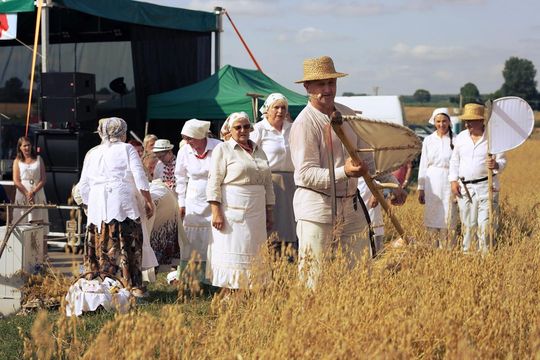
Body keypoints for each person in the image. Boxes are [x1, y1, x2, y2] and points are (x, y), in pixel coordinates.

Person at [289, 56, 406, 287]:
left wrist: (392, 183)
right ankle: (309, 320)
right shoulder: (305, 123)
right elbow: (305, 174)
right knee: (314, 277)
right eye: (320, 84)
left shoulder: (346, 115)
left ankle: (354, 318)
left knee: (361, 272)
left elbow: (366, 159)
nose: (327, 89)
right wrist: (345, 171)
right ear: (307, 87)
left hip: (351, 205)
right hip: (317, 208)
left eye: (331, 83)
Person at [78, 117, 154, 297]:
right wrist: (148, 200)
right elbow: (139, 175)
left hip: (98, 206)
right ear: (122, 132)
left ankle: (102, 284)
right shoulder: (127, 149)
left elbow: (83, 185)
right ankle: (131, 285)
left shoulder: (92, 153)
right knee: (127, 243)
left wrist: (91, 205)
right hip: (122, 203)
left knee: (100, 243)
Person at [206, 112, 275, 289]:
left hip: (257, 209)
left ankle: (252, 287)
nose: (243, 130)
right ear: (230, 130)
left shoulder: (259, 150)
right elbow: (214, 181)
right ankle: (230, 291)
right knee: (234, 248)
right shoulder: (223, 149)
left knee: (254, 248)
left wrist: (269, 210)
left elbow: (268, 183)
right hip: (233, 208)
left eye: (246, 126)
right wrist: (216, 212)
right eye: (238, 127)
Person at [449, 103, 506, 253]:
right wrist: (453, 181)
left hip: (486, 186)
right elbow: (454, 160)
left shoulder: (493, 138)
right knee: (468, 224)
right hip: (465, 187)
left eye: (471, 121)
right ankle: (468, 255)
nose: (467, 124)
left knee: (485, 224)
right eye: (466, 121)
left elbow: (503, 161)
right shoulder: (461, 137)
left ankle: (485, 257)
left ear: (481, 121)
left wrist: (496, 165)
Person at [250, 93, 297, 255]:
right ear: (267, 110)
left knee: (290, 222)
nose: (280, 111)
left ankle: (290, 256)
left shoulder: (292, 128)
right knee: (272, 221)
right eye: (276, 107)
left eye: (283, 107)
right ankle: (270, 255)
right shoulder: (259, 129)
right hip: (269, 181)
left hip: (292, 181)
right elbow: (250, 155)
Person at [175, 119, 221, 282]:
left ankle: (214, 277)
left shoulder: (218, 146)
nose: (187, 142)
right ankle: (193, 277)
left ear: (200, 135)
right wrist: (181, 203)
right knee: (192, 236)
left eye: (190, 138)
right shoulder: (184, 151)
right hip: (194, 197)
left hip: (215, 196)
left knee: (215, 234)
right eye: (185, 138)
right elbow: (180, 177)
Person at [417, 108, 459, 248]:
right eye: (438, 121)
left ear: (449, 122)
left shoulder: (457, 139)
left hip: (450, 180)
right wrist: (421, 188)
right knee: (432, 213)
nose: (441, 124)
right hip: (432, 182)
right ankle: (432, 248)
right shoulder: (428, 140)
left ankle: (447, 249)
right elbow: (423, 164)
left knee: (449, 213)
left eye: (444, 121)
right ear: (434, 122)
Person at [12, 136, 49, 234]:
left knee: (38, 221)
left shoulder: (38, 159)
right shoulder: (17, 161)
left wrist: (33, 192)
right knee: (21, 220)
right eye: (24, 146)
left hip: (37, 193)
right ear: (20, 147)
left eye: (28, 145)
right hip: (22, 194)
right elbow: (16, 180)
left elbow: (43, 178)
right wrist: (27, 193)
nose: (27, 148)